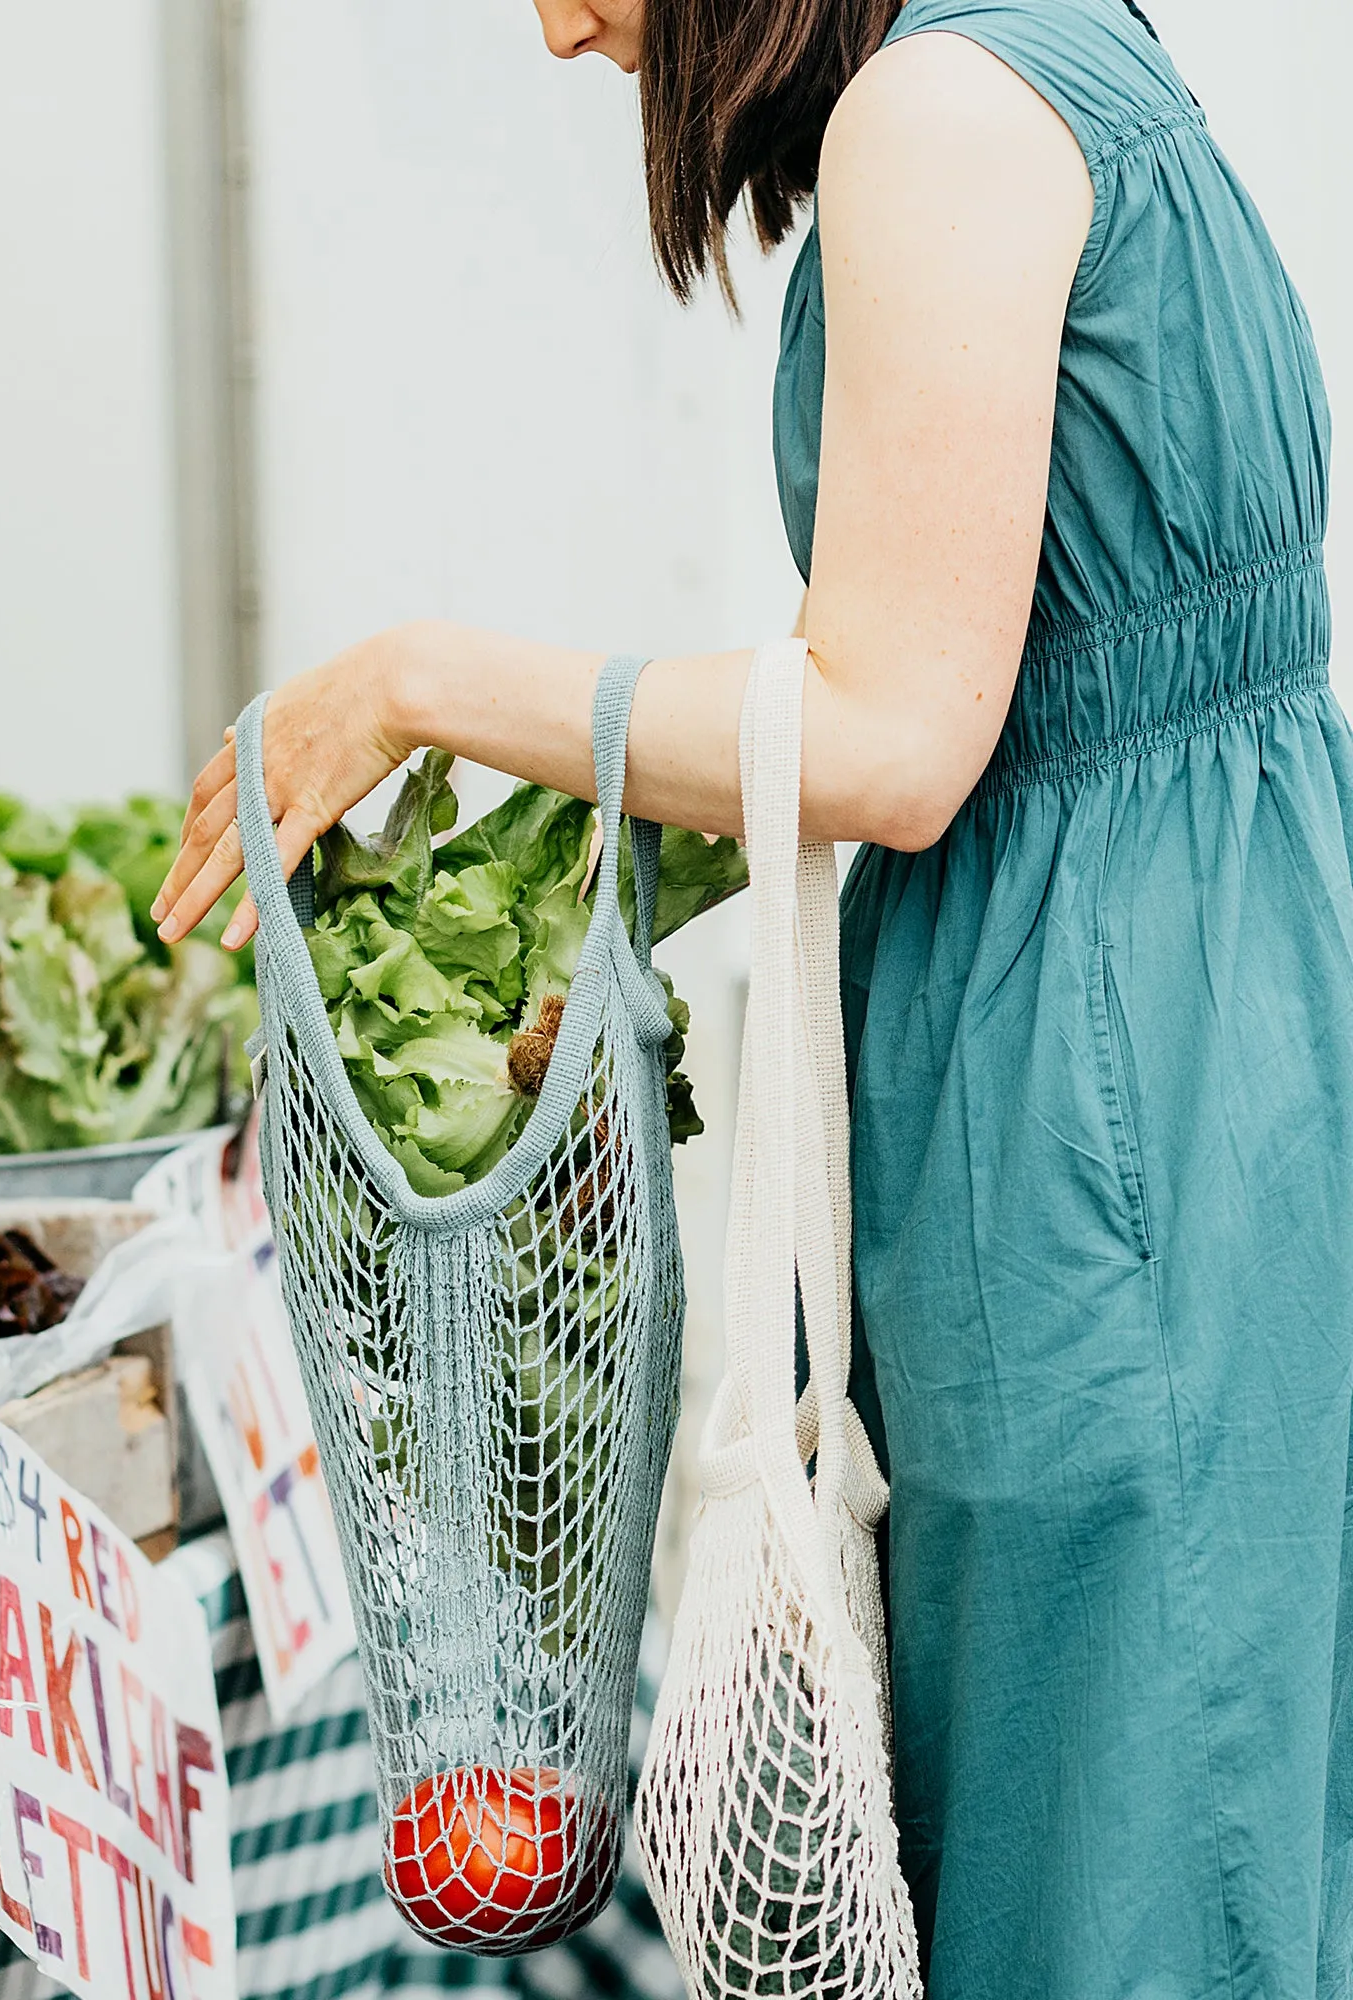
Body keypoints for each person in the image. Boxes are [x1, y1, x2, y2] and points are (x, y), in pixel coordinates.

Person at [155, 0, 1345, 1988]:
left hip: (1088, 1093)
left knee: (1120, 1841)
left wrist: (421, 682)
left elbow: (887, 736)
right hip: (1195, 1023)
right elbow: (969, 678)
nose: (553, 30)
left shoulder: (937, 119)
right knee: (1195, 1773)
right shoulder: (1043, 49)